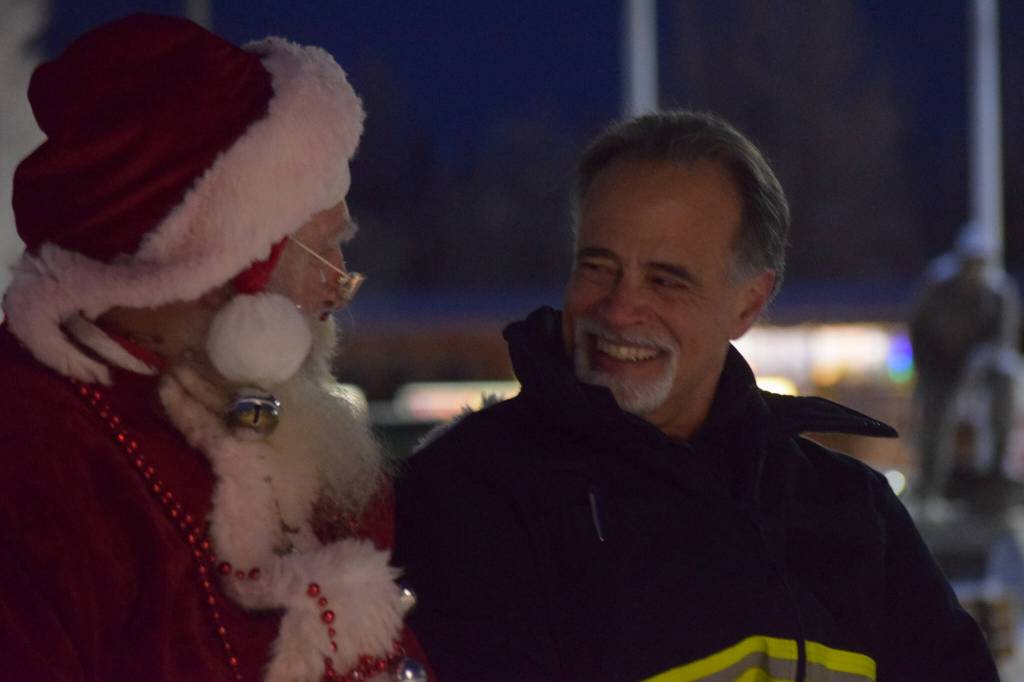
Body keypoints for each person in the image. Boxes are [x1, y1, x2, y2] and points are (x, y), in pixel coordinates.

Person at [393, 111, 997, 681]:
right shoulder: (470, 494)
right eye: (599, 267)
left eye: (665, 279)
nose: (621, 308)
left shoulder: (847, 509)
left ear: (749, 303)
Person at [0, 14, 429, 682]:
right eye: (321, 248)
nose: (337, 284)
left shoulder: (262, 418)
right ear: (212, 268)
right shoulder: (34, 458)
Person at [909, 225, 1021, 505]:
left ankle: (996, 471)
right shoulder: (937, 285)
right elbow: (918, 328)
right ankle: (930, 484)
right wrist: (925, 369)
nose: (974, 271)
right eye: (969, 263)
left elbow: (1004, 340)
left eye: (980, 264)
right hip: (940, 364)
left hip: (980, 363)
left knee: (1005, 378)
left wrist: (981, 362)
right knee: (936, 412)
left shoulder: (999, 294)